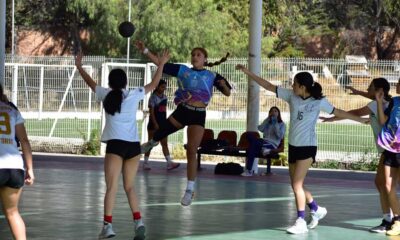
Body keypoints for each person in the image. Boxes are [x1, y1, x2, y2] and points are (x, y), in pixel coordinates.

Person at [236, 65, 368, 234]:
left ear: (303, 87)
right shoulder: (292, 96)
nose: (292, 86)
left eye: (295, 84)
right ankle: (316, 208)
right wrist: (248, 72)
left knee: (297, 184)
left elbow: (339, 112)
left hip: (308, 147)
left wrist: (360, 120)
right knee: (296, 184)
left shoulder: (318, 101)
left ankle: (300, 221)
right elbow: (268, 86)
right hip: (294, 146)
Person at [75, 50, 170, 240]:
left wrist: (79, 66)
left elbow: (90, 83)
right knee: (129, 187)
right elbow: (153, 84)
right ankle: (139, 222)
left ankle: (108, 226)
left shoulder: (105, 93)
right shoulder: (134, 94)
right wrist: (161, 65)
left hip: (115, 146)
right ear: (126, 82)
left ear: (110, 82)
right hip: (133, 147)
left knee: (111, 188)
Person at [135, 40, 232, 206]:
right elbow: (161, 63)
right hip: (183, 110)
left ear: (205, 59)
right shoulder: (184, 71)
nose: (195, 57)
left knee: (192, 150)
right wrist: (145, 50)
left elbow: (228, 93)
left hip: (198, 115)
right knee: (161, 132)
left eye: (198, 55)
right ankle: (151, 143)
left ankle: (189, 190)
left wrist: (223, 86)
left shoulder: (212, 75)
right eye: (193, 55)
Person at [322, 78, 393, 233]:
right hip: (388, 149)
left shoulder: (376, 105)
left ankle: (389, 220)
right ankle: (390, 218)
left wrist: (333, 118)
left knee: (384, 184)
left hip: (390, 150)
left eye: (370, 87)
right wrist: (358, 92)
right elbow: (371, 97)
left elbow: (355, 113)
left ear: (379, 90)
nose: (367, 89)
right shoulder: (388, 102)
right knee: (383, 184)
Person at [0, 83, 34, 240]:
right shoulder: (12, 110)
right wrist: (30, 169)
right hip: (14, 167)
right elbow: (24, 141)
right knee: (13, 212)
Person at [376, 78, 400, 236]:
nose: (397, 85)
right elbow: (383, 121)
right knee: (388, 186)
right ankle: (397, 221)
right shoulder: (394, 102)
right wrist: (379, 102)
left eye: (399, 83)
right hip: (390, 149)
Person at [143, 79, 180, 171]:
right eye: (162, 87)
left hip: (163, 124)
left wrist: (164, 123)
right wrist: (155, 124)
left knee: (164, 143)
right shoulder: (153, 98)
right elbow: (152, 113)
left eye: (165, 87)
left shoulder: (165, 97)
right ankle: (145, 163)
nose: (164, 88)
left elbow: (164, 111)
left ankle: (169, 163)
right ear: (157, 87)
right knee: (150, 144)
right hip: (153, 125)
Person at [241, 106, 286, 177]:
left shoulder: (282, 124)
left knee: (252, 146)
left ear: (278, 114)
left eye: (275, 111)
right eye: (271, 111)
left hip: (272, 144)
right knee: (249, 136)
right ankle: (264, 150)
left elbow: (280, 136)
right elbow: (260, 128)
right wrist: (268, 119)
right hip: (264, 142)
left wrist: (275, 123)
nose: (273, 112)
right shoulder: (268, 122)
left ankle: (249, 170)